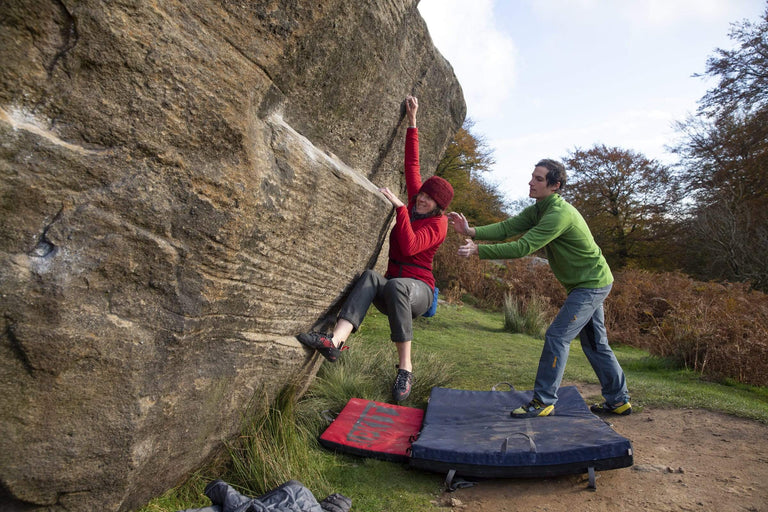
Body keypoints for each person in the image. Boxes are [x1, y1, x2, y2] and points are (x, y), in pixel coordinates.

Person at [297, 95, 453, 402]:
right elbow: (413, 163)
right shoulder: (415, 201)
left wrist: (401, 210)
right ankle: (335, 343)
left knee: (396, 286)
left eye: (427, 199)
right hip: (394, 287)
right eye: (420, 194)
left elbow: (410, 247)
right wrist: (413, 121)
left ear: (438, 206)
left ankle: (405, 368)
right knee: (370, 277)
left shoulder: (439, 225)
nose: (420, 198)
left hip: (418, 291)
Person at [448, 159, 631, 418]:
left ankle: (544, 400)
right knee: (596, 344)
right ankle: (619, 400)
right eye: (532, 176)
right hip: (588, 282)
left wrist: (479, 250)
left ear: (555, 185)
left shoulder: (558, 214)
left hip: (591, 284)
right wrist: (471, 231)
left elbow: (524, 247)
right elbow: (508, 228)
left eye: (539, 179)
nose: (531, 182)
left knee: (557, 336)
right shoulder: (540, 208)